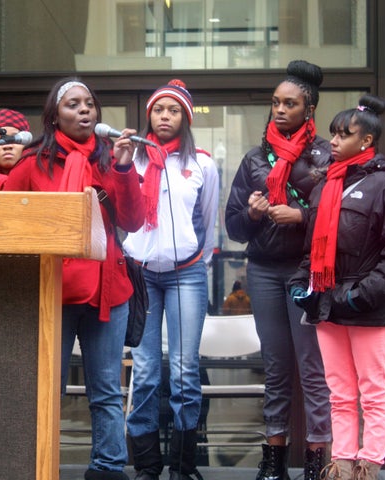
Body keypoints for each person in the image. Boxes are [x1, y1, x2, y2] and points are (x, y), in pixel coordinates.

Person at [4, 78, 145, 480]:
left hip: (107, 292)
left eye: (89, 104)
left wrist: (122, 167)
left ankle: (108, 468)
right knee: (48, 388)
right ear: (54, 117)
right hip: (52, 291)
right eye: (73, 104)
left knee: (105, 392)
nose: (84, 110)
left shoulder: (110, 158)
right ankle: (40, 465)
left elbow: (133, 221)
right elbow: (9, 220)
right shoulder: (32, 162)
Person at [288, 94, 385, 480]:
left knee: (373, 391)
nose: (333, 142)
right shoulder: (325, 186)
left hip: (367, 306)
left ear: (366, 142)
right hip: (327, 304)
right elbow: (310, 252)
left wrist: (359, 296)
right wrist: (298, 284)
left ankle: (368, 466)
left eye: (344, 135)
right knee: (338, 391)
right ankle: (340, 466)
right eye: (333, 134)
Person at [224, 60, 332, 480]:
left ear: (309, 109)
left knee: (312, 368)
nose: (280, 110)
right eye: (275, 103)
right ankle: (273, 463)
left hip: (307, 272)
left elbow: (338, 218)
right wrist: (252, 215)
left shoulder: (325, 155)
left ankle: (316, 464)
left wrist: (301, 216)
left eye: (290, 103)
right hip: (265, 272)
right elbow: (234, 226)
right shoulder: (254, 158)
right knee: (275, 367)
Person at [122, 80, 219, 480]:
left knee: (183, 369)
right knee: (144, 371)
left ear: (186, 118)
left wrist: (199, 259)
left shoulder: (202, 164)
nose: (165, 116)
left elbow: (208, 220)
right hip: (141, 276)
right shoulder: (133, 158)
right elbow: (118, 208)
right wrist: (123, 163)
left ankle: (182, 466)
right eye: (159, 110)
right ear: (150, 114)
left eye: (173, 111)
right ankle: (146, 466)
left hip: (186, 275)